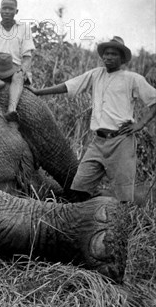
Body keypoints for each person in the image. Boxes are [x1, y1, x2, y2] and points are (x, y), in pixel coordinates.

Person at [28, 36, 156, 203]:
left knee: (124, 195)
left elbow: (154, 101)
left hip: (121, 141)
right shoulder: (96, 74)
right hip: (98, 142)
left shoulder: (132, 79)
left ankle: (120, 225)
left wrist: (140, 124)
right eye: (106, 54)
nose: (108, 57)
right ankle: (84, 219)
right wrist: (39, 92)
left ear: (122, 58)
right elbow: (69, 85)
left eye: (113, 54)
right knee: (79, 188)